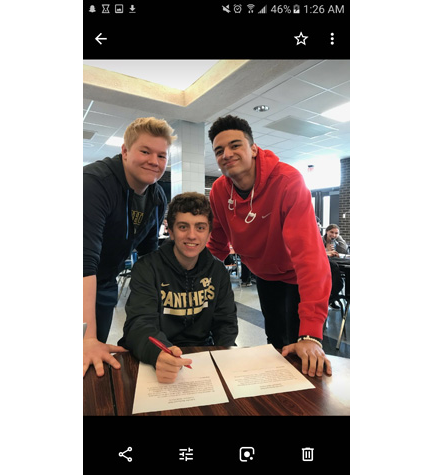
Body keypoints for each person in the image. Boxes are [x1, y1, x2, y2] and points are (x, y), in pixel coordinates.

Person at [206, 115, 332, 377]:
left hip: (298, 275)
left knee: (302, 347)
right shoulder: (219, 190)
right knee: (276, 342)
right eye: (219, 150)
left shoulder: (287, 182)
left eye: (235, 145)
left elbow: (310, 257)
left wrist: (311, 333)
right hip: (264, 274)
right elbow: (216, 243)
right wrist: (188, 274)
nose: (227, 154)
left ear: (253, 148)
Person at [83, 117, 176, 377]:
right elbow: (83, 261)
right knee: (84, 347)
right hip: (80, 277)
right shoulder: (94, 183)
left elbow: (148, 258)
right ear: (125, 151)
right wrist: (87, 338)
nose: (154, 161)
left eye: (161, 155)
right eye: (145, 151)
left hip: (105, 282)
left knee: (93, 361)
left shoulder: (156, 197)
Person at [118, 192, 238, 383]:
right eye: (183, 227)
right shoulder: (147, 268)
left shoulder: (217, 271)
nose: (192, 235)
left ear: (209, 233)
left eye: (200, 227)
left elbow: (226, 323)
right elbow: (139, 324)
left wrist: (223, 356)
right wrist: (159, 354)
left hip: (202, 358)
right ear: (171, 231)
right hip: (156, 356)